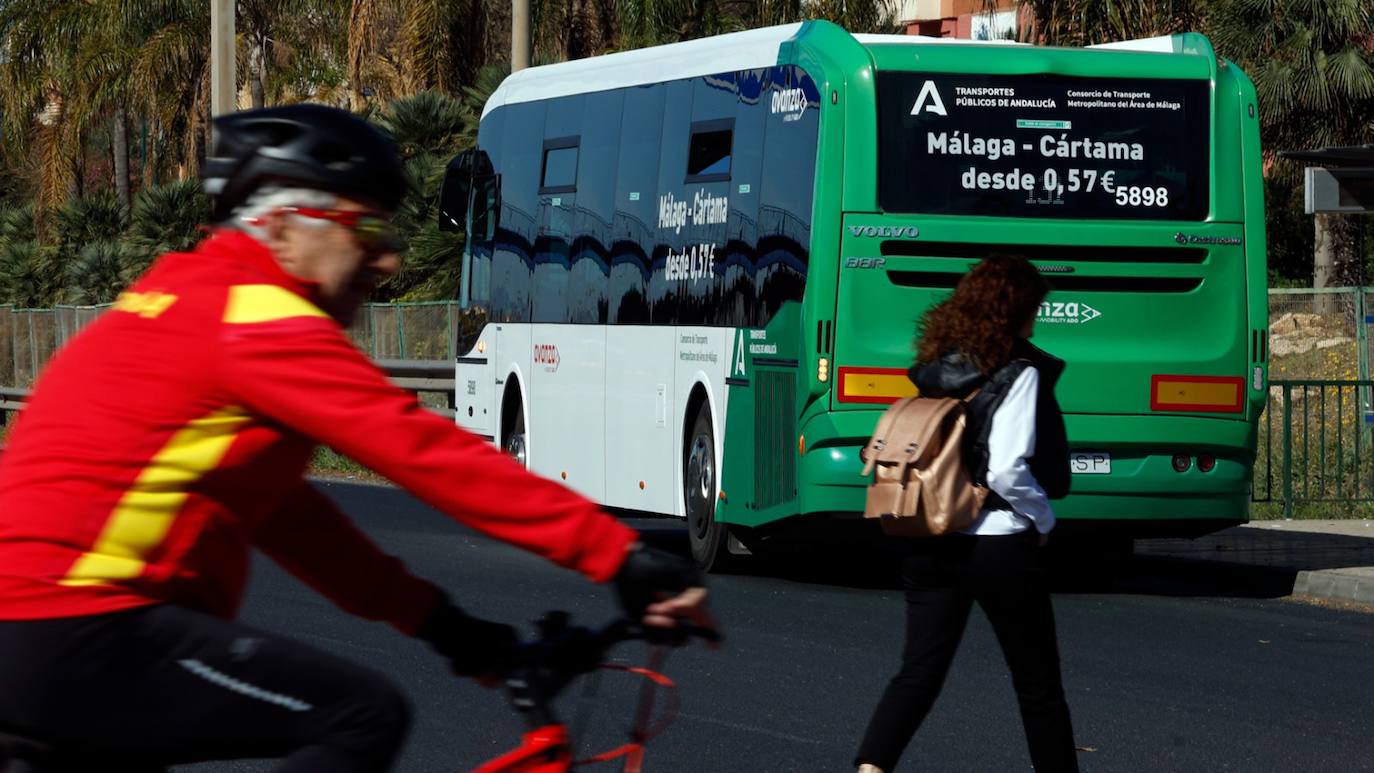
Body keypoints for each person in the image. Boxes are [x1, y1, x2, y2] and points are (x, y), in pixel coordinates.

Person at [0, 104, 715, 772]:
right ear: (281, 225)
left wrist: (445, 625)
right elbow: (423, 450)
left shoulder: (181, 298)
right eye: (364, 231)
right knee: (360, 714)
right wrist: (618, 555)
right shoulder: (260, 319)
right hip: (82, 625)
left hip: (36, 632)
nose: (387, 261)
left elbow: (296, 524)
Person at [854, 255, 1077, 773]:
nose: (1036, 319)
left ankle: (868, 770)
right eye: (1033, 308)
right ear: (1017, 309)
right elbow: (1005, 469)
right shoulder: (1019, 371)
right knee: (1038, 686)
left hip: (929, 535)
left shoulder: (936, 366)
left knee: (918, 674)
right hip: (997, 543)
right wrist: (1042, 519)